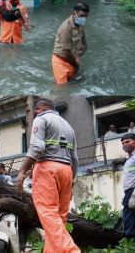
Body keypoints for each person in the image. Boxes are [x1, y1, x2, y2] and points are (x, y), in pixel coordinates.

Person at [16, 98, 80, 253]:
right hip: (67, 171)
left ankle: (70, 250)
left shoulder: (41, 119)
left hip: (47, 169)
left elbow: (37, 147)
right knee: (60, 217)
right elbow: (75, 158)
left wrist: (22, 170)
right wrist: (71, 179)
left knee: (48, 212)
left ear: (38, 110)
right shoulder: (68, 126)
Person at [52, 3, 89, 84]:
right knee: (63, 88)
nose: (84, 18)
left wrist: (84, 47)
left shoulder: (79, 23)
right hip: (61, 61)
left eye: (86, 16)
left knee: (73, 81)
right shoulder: (66, 28)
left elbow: (83, 36)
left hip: (73, 57)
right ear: (74, 13)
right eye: (82, 15)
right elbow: (65, 52)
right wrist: (75, 65)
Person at [121, 133, 135, 243]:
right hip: (129, 193)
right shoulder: (129, 159)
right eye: (123, 143)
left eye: (127, 141)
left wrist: (134, 195)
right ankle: (133, 246)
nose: (124, 144)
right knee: (129, 223)